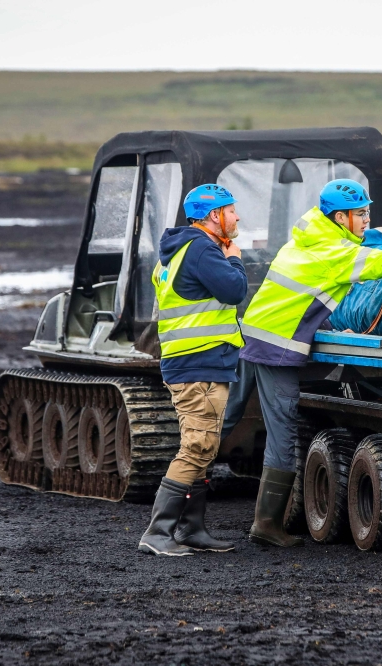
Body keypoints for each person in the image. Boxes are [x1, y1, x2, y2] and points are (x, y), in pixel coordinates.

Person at [220, 178, 382, 548]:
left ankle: (184, 491)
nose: (367, 220)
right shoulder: (334, 252)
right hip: (276, 346)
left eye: (368, 212)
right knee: (283, 433)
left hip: (257, 331)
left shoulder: (309, 233)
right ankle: (266, 524)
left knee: (225, 418)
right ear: (340, 217)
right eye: (360, 214)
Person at [138, 184, 247, 557]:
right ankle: (158, 532)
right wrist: (234, 258)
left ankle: (191, 528)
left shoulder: (174, 253)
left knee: (205, 446)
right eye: (231, 211)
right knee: (198, 445)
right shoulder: (202, 248)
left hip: (195, 362)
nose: (236, 218)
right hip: (198, 364)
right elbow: (234, 290)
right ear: (214, 215)